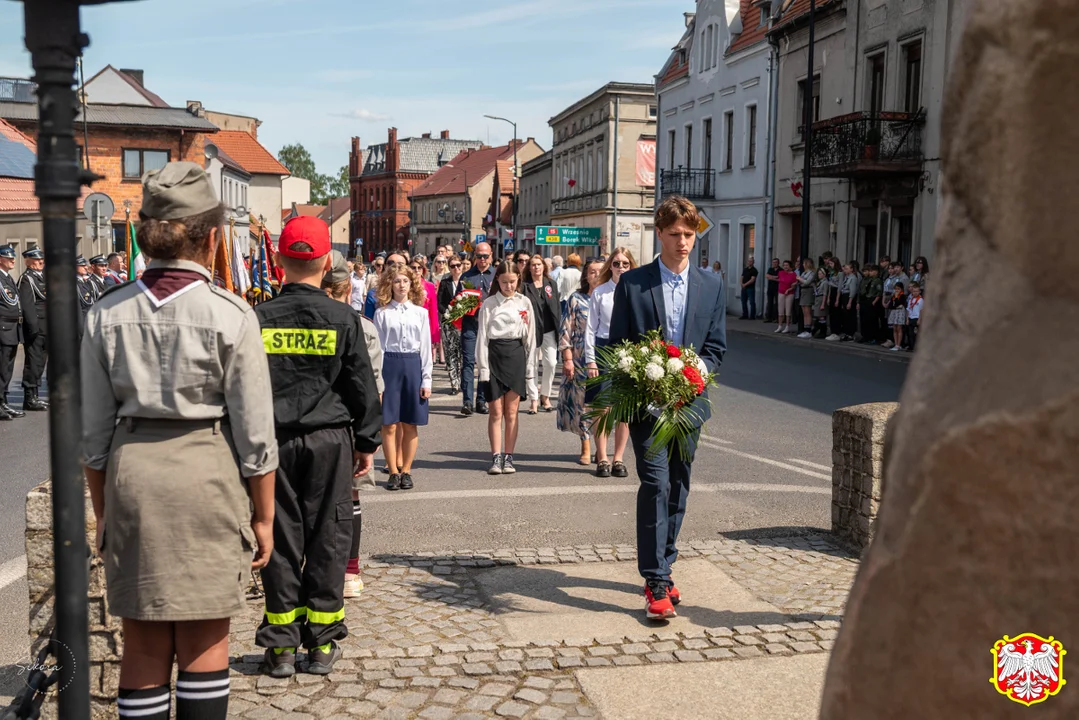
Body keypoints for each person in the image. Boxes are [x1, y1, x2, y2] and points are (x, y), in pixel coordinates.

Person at [80, 162, 277, 719]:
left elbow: (92, 440)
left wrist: (104, 513)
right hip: (206, 473)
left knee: (141, 640)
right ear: (213, 238)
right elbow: (257, 437)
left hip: (133, 475)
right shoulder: (232, 314)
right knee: (205, 637)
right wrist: (263, 519)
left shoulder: (105, 313)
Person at [254, 214, 382, 678]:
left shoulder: (258, 318)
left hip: (274, 442)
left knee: (280, 540)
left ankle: (281, 645)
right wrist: (367, 442)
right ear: (327, 261)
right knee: (329, 538)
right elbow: (361, 388)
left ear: (279, 263)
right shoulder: (343, 317)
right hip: (331, 442)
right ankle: (323, 645)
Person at [607, 195, 726, 620]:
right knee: (655, 483)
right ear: (659, 233)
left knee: (678, 486)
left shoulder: (711, 284)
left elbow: (716, 347)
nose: (683, 243)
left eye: (690, 235)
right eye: (675, 234)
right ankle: (655, 579)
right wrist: (640, 377)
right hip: (647, 403)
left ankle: (667, 563)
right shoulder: (634, 283)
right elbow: (616, 344)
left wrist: (694, 369)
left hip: (690, 403)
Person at [321, 251, 383, 598]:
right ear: (348, 289)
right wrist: (368, 439)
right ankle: (349, 570)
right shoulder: (363, 327)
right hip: (348, 425)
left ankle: (316, 569)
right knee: (351, 498)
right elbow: (374, 387)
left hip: (306, 425)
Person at [374, 265, 431, 491]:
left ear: (412, 284)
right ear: (390, 284)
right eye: (397, 281)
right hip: (390, 364)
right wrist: (377, 381)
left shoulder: (421, 313)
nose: (401, 285)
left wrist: (426, 380)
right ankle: (393, 471)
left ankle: (406, 470)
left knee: (410, 423)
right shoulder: (382, 313)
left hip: (412, 364)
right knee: (388, 424)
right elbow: (377, 348)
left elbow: (426, 348)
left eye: (405, 281)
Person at [476, 260, 535, 475]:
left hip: (516, 355)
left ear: (518, 280)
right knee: (495, 411)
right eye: (503, 282)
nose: (508, 286)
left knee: (512, 411)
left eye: (512, 282)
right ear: (497, 281)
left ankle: (509, 456)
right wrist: (483, 368)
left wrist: (530, 370)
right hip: (494, 355)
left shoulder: (524, 302)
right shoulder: (489, 303)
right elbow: (482, 337)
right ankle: (495, 456)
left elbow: (530, 337)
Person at [585, 248, 637, 479]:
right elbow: (590, 329)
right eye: (617, 264)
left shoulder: (637, 291)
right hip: (603, 347)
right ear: (610, 266)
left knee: (624, 409)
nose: (621, 268)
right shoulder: (601, 293)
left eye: (625, 264)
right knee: (602, 408)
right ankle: (602, 457)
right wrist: (590, 360)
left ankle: (618, 458)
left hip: (627, 351)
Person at [558, 258, 603, 465]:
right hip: (579, 357)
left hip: (604, 357)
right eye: (592, 271)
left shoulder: (611, 297)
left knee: (602, 405)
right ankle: (585, 444)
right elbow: (565, 329)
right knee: (581, 403)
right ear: (585, 275)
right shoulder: (576, 298)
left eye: (599, 271)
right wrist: (567, 359)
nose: (595, 275)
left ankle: (601, 447)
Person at [460, 242, 496, 416]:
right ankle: (467, 401)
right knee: (467, 362)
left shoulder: (497, 276)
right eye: (479, 256)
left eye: (485, 256)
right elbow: (458, 302)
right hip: (470, 325)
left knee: (484, 363)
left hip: (490, 327)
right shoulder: (466, 276)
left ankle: (481, 400)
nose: (482, 260)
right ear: (475, 256)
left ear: (491, 255)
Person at [521, 254, 560, 415]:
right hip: (531, 330)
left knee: (551, 363)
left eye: (539, 264)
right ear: (529, 268)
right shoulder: (524, 286)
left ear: (544, 267)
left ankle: (545, 395)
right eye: (533, 265)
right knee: (531, 366)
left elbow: (556, 306)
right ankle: (534, 399)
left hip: (549, 329)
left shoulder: (551, 284)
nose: (536, 267)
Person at [18, 247, 48, 411]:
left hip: (45, 328)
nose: (40, 262)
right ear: (28, 262)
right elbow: (28, 307)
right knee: (33, 363)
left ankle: (35, 396)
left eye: (41, 260)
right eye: (37, 260)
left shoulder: (42, 277)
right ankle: (29, 398)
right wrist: (33, 329)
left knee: (40, 363)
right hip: (36, 329)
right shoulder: (26, 279)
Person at [0, 246, 25, 421]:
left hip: (12, 329)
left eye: (13, 257)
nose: (13, 260)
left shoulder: (7, 278)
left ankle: (3, 401)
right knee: (2, 369)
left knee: (7, 369)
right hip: (3, 329)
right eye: (8, 258)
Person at [437, 256, 466, 394]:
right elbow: (440, 303)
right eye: (453, 266)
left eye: (458, 265)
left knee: (463, 353)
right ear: (449, 268)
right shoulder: (445, 283)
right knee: (450, 353)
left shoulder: (467, 282)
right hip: (448, 322)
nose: (456, 268)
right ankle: (455, 384)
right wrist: (448, 313)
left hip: (463, 323)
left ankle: (464, 381)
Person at [411, 256, 442, 366]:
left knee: (425, 358)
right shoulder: (406, 285)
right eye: (413, 267)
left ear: (423, 270)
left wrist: (435, 336)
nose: (416, 270)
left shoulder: (429, 286)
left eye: (419, 268)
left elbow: (433, 312)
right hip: (410, 323)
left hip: (425, 324)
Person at [796, 258, 817, 339]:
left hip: (809, 290)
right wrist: (800, 280)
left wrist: (800, 279)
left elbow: (807, 282)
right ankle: (805, 329)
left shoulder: (812, 273)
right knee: (804, 311)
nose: (803, 265)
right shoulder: (804, 272)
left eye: (804, 264)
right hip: (803, 291)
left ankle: (808, 330)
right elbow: (801, 282)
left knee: (808, 311)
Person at [775, 260, 797, 334]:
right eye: (784, 265)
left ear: (790, 266)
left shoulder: (793, 274)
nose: (785, 267)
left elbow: (794, 285)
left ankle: (787, 326)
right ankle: (780, 326)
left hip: (789, 293)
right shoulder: (781, 273)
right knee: (780, 310)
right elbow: (778, 279)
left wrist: (789, 289)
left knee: (788, 310)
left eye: (787, 265)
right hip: (781, 292)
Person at [888, 281, 909, 352]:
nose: (896, 290)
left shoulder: (902, 296)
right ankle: (895, 343)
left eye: (898, 289)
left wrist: (896, 299)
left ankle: (898, 344)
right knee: (894, 328)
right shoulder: (893, 296)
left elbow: (900, 304)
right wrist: (895, 304)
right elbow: (891, 305)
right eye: (896, 289)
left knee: (899, 328)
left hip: (900, 313)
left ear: (901, 289)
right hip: (894, 312)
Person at [906, 282, 923, 352]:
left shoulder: (921, 300)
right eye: (914, 291)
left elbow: (922, 310)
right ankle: (911, 346)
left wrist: (919, 319)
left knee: (916, 333)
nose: (915, 293)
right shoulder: (910, 300)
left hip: (916, 318)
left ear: (919, 291)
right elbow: (908, 310)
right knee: (910, 333)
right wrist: (907, 319)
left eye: (916, 291)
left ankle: (916, 347)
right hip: (911, 317)